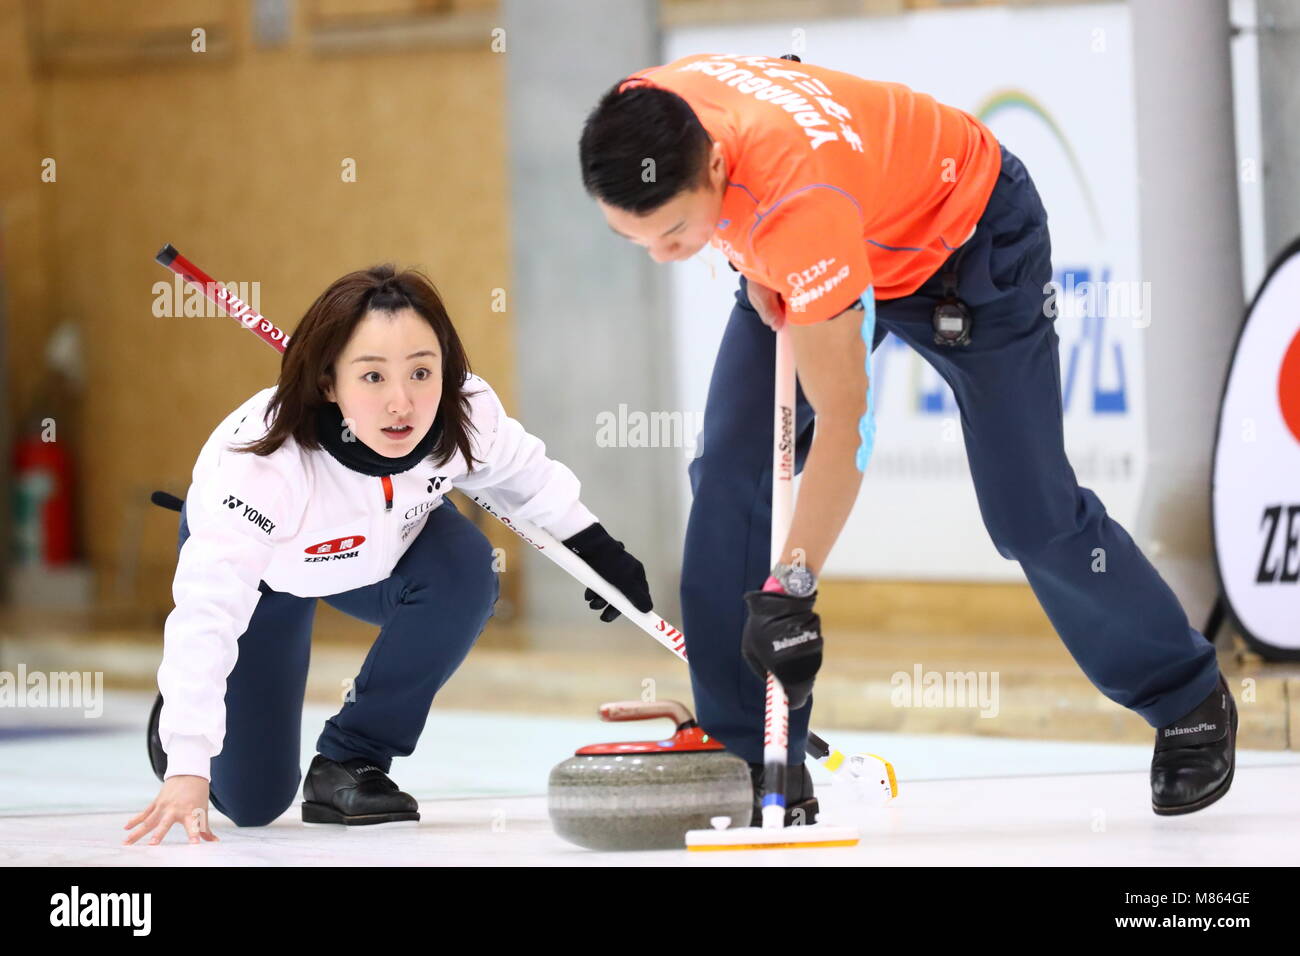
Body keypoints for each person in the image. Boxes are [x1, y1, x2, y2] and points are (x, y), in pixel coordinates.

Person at [578, 52, 1234, 824]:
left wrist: (794, 586)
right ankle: (751, 755)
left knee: (1032, 513)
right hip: (830, 223)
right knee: (730, 470)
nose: (662, 254)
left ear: (716, 165)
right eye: (637, 240)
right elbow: (785, 71)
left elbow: (848, 425)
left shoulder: (799, 204)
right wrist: (735, 247)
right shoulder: (645, 107)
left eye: (675, 232)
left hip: (966, 245)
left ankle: (1186, 698)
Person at [124, 265, 653, 845]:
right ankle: (171, 724)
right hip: (267, 580)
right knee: (252, 803)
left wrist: (596, 548)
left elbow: (528, 478)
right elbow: (207, 614)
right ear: (329, 382)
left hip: (385, 559)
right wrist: (188, 761)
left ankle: (352, 757)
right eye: (372, 377)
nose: (402, 402)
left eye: (421, 372)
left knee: (466, 567)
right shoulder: (262, 465)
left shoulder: (464, 414)